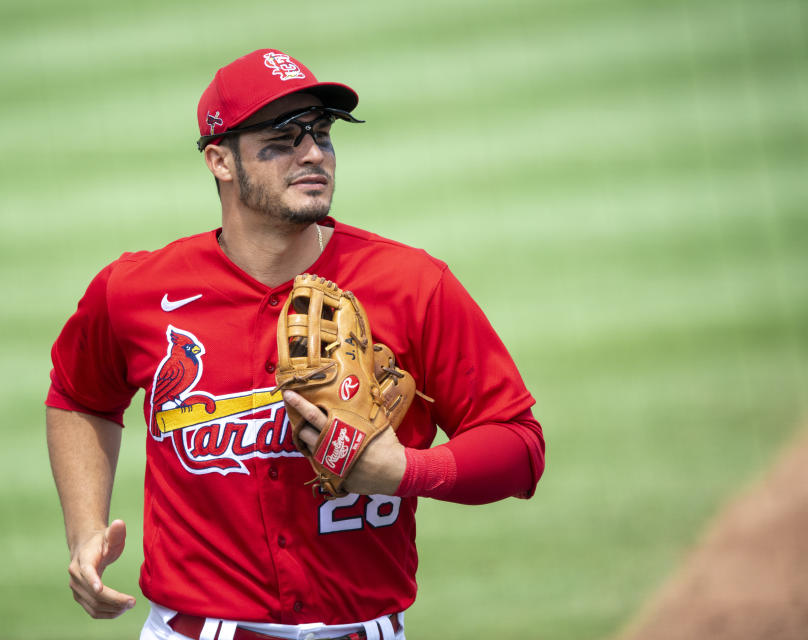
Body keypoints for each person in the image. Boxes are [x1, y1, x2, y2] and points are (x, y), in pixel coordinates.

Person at [46, 48, 545, 640]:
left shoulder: (412, 285)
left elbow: (520, 447)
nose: (314, 153)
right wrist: (85, 530)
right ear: (219, 161)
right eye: (282, 139)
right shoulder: (136, 291)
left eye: (323, 134)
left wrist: (409, 469)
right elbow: (81, 397)